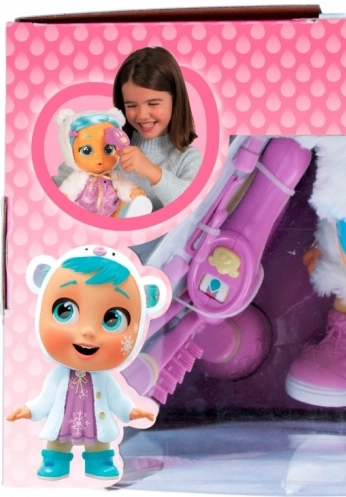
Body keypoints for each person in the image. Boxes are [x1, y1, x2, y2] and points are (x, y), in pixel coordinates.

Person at [6, 245, 167, 480]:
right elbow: (46, 399)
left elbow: (117, 400)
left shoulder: (104, 379)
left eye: (112, 319)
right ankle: (54, 462)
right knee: (58, 439)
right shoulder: (57, 377)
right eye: (65, 311)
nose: (88, 331)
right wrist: (29, 410)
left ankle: (99, 463)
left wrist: (131, 411)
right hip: (64, 420)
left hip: (94, 421)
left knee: (100, 440)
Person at [54, 47, 202, 211]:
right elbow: (61, 184)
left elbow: (193, 206)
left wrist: (153, 172)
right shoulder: (107, 143)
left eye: (153, 103)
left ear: (176, 100)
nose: (142, 115)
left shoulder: (187, 158)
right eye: (131, 105)